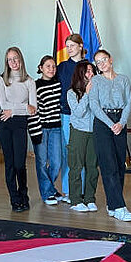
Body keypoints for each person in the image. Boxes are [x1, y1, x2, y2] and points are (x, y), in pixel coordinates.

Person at [91, 49, 131, 221]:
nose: (101, 64)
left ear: (111, 60)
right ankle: (119, 207)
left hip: (120, 122)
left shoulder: (123, 79)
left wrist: (121, 123)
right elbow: (94, 105)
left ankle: (112, 203)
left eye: (104, 60)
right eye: (98, 62)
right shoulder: (95, 80)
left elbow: (129, 101)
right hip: (103, 124)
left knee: (119, 164)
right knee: (108, 165)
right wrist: (111, 124)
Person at [0, 46, 37, 211]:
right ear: (6, 62)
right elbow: (2, 104)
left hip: (20, 124)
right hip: (5, 124)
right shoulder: (1, 80)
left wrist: (13, 111)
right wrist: (23, 107)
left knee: (20, 163)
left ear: (21, 59)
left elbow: (34, 108)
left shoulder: (29, 81)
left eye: (15, 58)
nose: (13, 62)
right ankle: (14, 199)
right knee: (10, 164)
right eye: (9, 59)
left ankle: (23, 195)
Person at [29, 55, 64, 205]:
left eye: (53, 66)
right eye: (48, 66)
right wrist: (35, 131)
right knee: (42, 162)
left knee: (56, 162)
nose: (51, 69)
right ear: (41, 68)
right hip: (41, 128)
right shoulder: (35, 85)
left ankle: (49, 188)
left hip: (56, 127)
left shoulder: (59, 84)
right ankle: (47, 193)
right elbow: (32, 110)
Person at [57, 33, 87, 201]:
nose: (69, 49)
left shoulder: (88, 66)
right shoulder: (62, 67)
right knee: (66, 153)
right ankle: (67, 191)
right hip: (65, 114)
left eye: (72, 46)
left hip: (83, 116)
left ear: (80, 46)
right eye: (67, 46)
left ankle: (79, 190)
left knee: (79, 154)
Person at [67, 61, 100, 212]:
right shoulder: (71, 93)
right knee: (76, 166)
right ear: (80, 73)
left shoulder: (97, 89)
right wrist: (86, 94)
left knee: (92, 168)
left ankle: (89, 198)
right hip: (78, 132)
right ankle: (75, 199)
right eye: (87, 71)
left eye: (92, 71)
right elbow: (79, 112)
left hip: (94, 133)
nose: (91, 74)